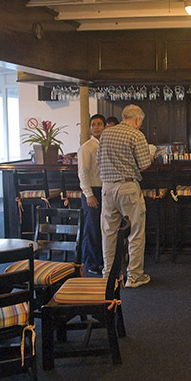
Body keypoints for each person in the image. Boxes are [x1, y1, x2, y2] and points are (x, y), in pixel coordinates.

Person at [97, 105, 152, 288]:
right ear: (137, 120)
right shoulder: (136, 135)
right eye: (141, 122)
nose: (140, 125)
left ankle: (109, 276)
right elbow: (144, 165)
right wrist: (150, 156)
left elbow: (99, 160)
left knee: (109, 233)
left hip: (107, 188)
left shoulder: (106, 133)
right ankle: (134, 277)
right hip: (127, 186)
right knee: (135, 232)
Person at [77, 114, 106, 274]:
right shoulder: (86, 148)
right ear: (90, 128)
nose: (96, 127)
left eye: (99, 124)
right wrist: (88, 194)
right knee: (92, 229)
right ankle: (90, 264)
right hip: (92, 191)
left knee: (104, 228)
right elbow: (82, 173)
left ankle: (102, 260)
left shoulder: (107, 145)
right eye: (93, 124)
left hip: (105, 190)